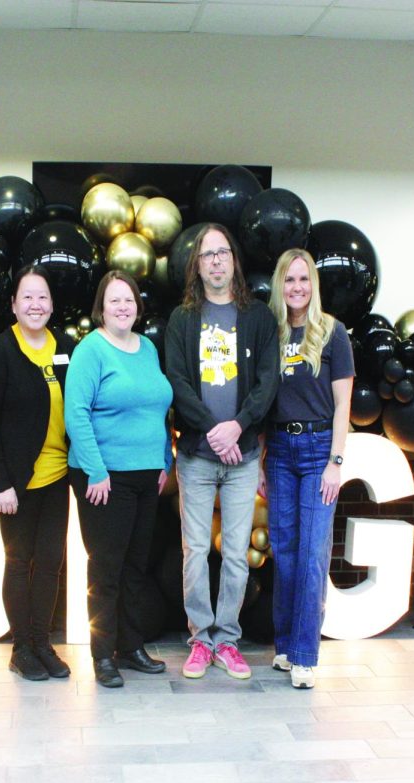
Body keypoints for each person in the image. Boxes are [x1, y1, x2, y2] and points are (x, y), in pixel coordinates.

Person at [165, 224, 279, 680]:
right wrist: (215, 430)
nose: (216, 261)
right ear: (197, 265)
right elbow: (177, 380)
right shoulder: (182, 319)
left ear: (234, 261)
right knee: (195, 552)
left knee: (234, 554)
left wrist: (237, 428)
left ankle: (227, 642)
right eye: (207, 254)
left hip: (243, 456)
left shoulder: (258, 318)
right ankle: (199, 640)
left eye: (222, 252)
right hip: (195, 455)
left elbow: (268, 381)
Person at [64, 270, 173, 688]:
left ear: (137, 306)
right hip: (105, 479)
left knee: (135, 568)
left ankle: (130, 648)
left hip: (148, 477)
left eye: (128, 300)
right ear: (101, 308)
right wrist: (95, 469)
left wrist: (164, 458)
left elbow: (159, 407)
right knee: (106, 570)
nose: (123, 307)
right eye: (114, 301)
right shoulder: (90, 351)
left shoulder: (146, 348)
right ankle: (102, 655)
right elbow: (77, 414)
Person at [0, 265, 75, 682]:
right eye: (27, 297)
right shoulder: (1, 350)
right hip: (16, 481)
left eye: (43, 297)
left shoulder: (66, 347)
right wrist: (1, 482)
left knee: (51, 562)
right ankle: (21, 649)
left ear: (52, 305)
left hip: (57, 476)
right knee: (19, 562)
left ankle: (42, 643)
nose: (36, 304)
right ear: (14, 305)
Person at [263, 249, 353, 689]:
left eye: (304, 279)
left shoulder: (332, 333)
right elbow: (262, 402)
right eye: (289, 280)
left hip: (319, 451)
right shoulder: (271, 332)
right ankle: (284, 646)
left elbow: (343, 405)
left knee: (314, 555)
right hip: (279, 450)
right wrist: (262, 456)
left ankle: (305, 656)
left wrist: (336, 462)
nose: (297, 287)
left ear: (313, 284)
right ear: (280, 285)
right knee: (285, 553)